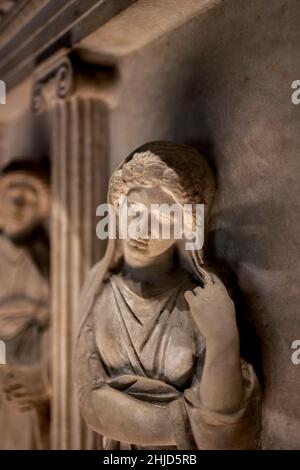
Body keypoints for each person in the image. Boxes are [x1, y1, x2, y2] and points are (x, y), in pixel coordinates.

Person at [75, 142, 261, 450]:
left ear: (187, 230)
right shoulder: (99, 289)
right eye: (133, 211)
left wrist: (222, 339)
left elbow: (226, 431)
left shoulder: (201, 299)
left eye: (162, 220)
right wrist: (189, 422)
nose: (141, 229)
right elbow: (89, 400)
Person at [0, 159, 51, 449]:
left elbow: (55, 319)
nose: (19, 205)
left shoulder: (44, 258)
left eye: (29, 200)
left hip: (28, 359)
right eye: (13, 196)